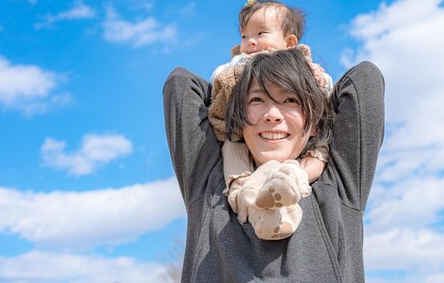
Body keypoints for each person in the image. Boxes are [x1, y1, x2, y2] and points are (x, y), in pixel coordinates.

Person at [163, 48, 385, 282]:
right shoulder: (211, 183)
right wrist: (247, 64)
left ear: (314, 124)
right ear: (238, 119)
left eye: (291, 99)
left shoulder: (338, 183)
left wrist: (301, 69)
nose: (272, 114)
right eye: (257, 99)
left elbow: (365, 79)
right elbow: (180, 85)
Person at [208, 0, 333, 239]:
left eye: (260, 33)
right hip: (237, 137)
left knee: (320, 153)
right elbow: (212, 80)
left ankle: (295, 179)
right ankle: (246, 197)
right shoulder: (240, 63)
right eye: (244, 36)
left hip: (304, 155)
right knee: (233, 152)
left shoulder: (303, 65)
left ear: (289, 42)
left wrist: (319, 79)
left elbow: (332, 88)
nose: (250, 42)